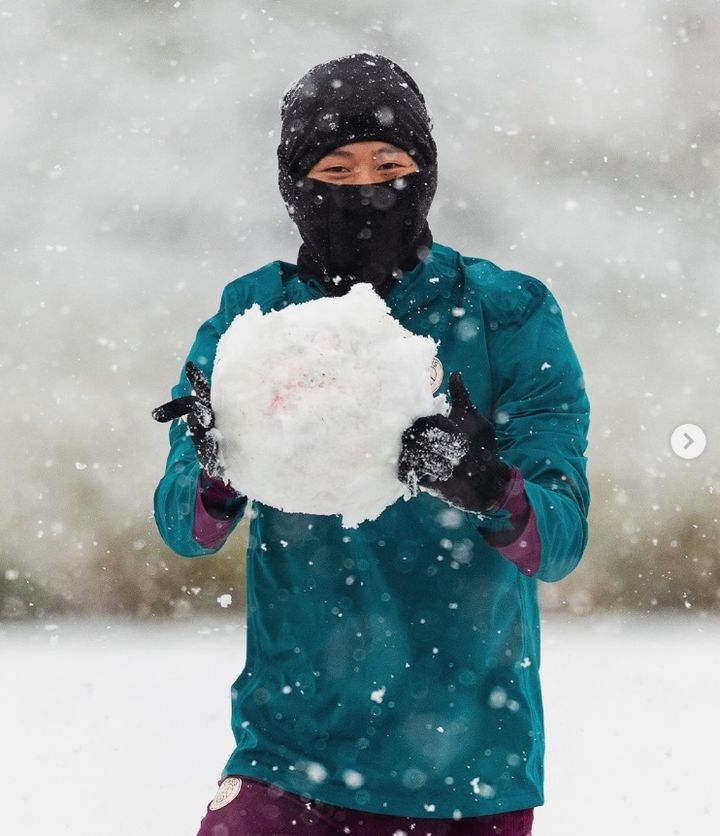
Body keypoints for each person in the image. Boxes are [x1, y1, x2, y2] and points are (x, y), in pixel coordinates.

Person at [152, 53, 590, 836]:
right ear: (294, 184)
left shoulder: (507, 313)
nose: (364, 191)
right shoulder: (254, 316)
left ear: (427, 174)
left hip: (468, 767)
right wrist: (219, 475)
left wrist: (492, 486)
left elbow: (558, 541)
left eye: (391, 164)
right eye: (336, 167)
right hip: (289, 753)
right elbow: (183, 529)